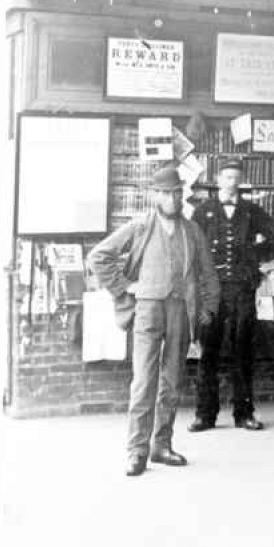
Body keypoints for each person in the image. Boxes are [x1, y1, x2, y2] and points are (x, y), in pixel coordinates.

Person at [88, 167, 219, 476]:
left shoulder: (192, 231)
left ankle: (162, 445)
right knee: (144, 381)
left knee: (172, 382)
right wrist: (123, 287)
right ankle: (137, 451)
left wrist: (209, 309)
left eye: (177, 192)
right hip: (147, 309)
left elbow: (209, 275)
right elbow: (99, 256)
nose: (173, 198)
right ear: (155, 195)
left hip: (180, 311)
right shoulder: (140, 225)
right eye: (166, 192)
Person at [188, 158, 274, 432]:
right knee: (209, 352)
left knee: (243, 350)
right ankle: (205, 415)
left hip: (242, 289)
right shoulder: (202, 211)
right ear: (218, 180)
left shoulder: (252, 211)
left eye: (236, 178)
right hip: (212, 291)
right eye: (227, 177)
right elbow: (192, 247)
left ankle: (244, 413)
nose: (232, 183)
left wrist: (254, 256)